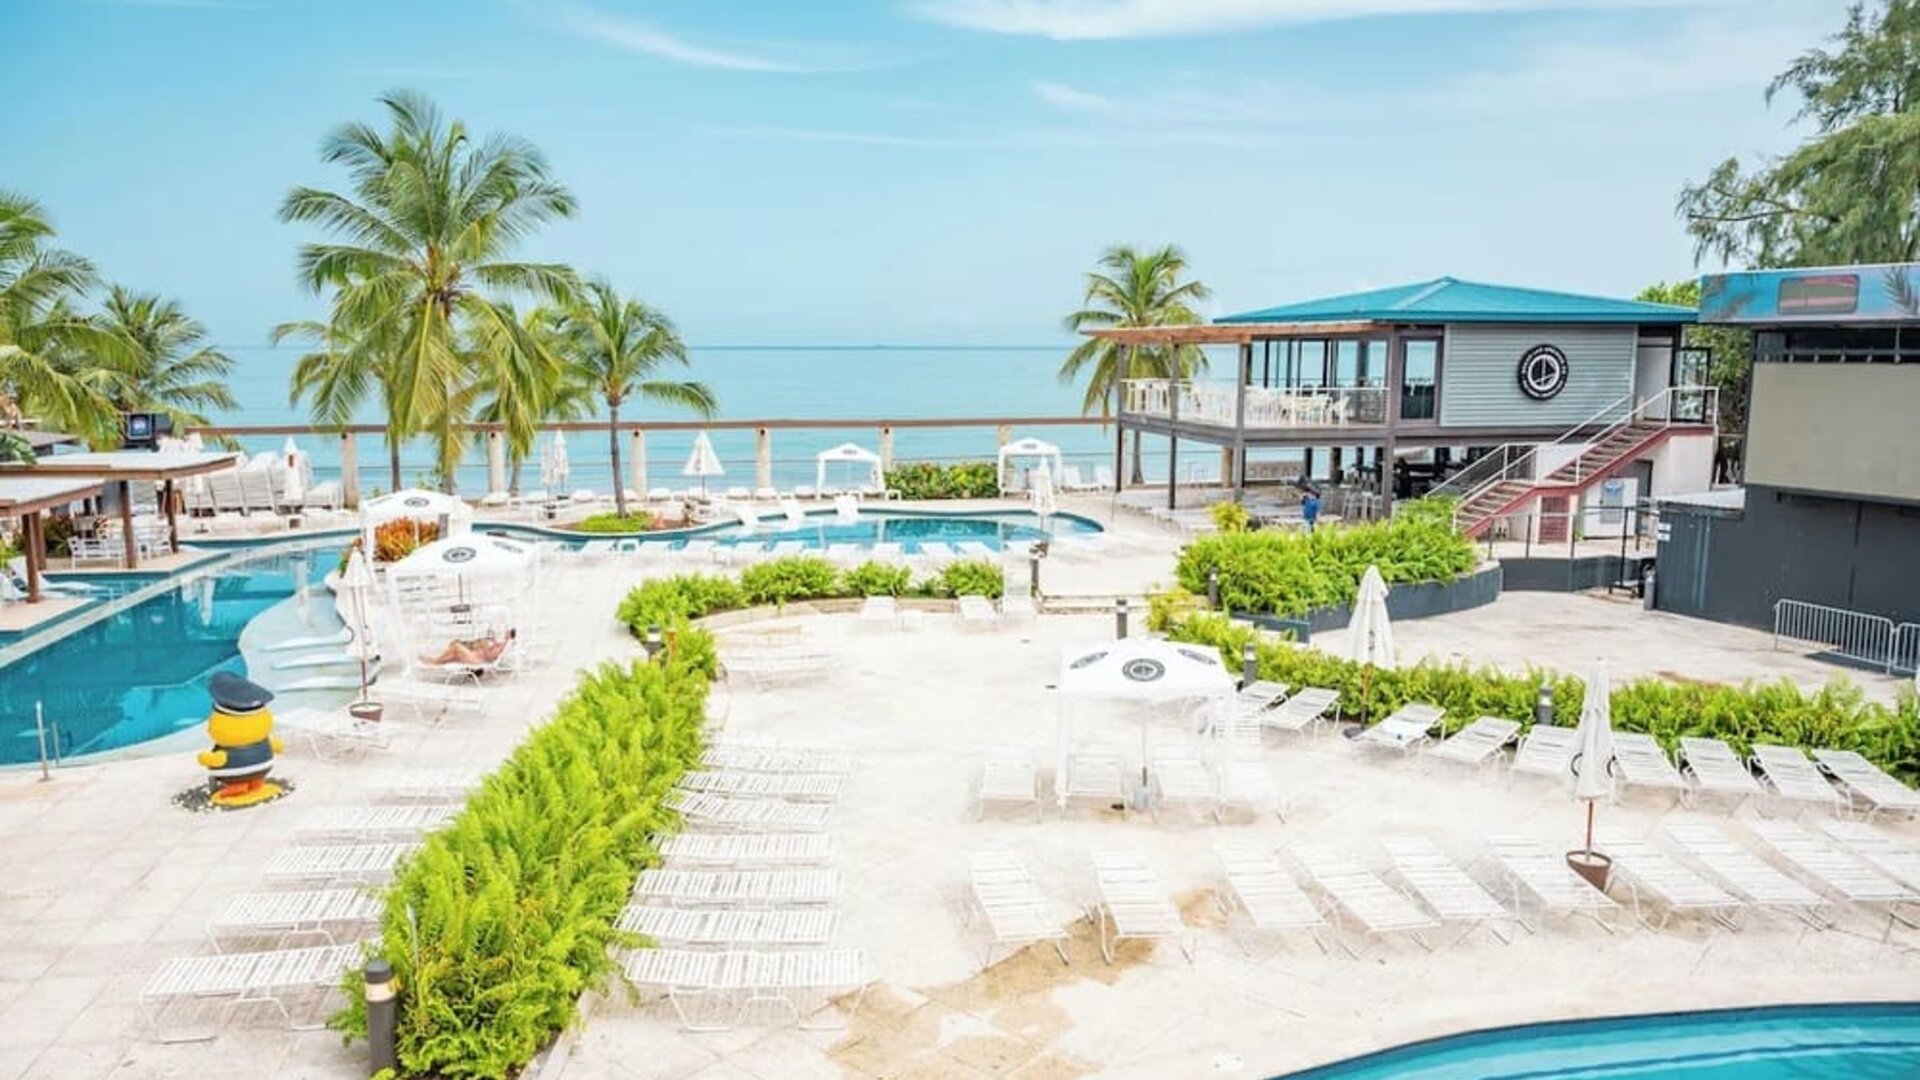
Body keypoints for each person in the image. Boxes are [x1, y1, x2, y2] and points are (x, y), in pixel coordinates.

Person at [421, 629, 514, 668]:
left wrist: (484, 645)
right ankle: (435, 662)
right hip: (474, 656)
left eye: (508, 632)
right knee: (453, 654)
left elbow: (489, 657)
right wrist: (493, 640)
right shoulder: (502, 644)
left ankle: (434, 662)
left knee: (456, 646)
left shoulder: (503, 646)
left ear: (510, 635)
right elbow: (493, 650)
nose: (506, 631)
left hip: (476, 660)